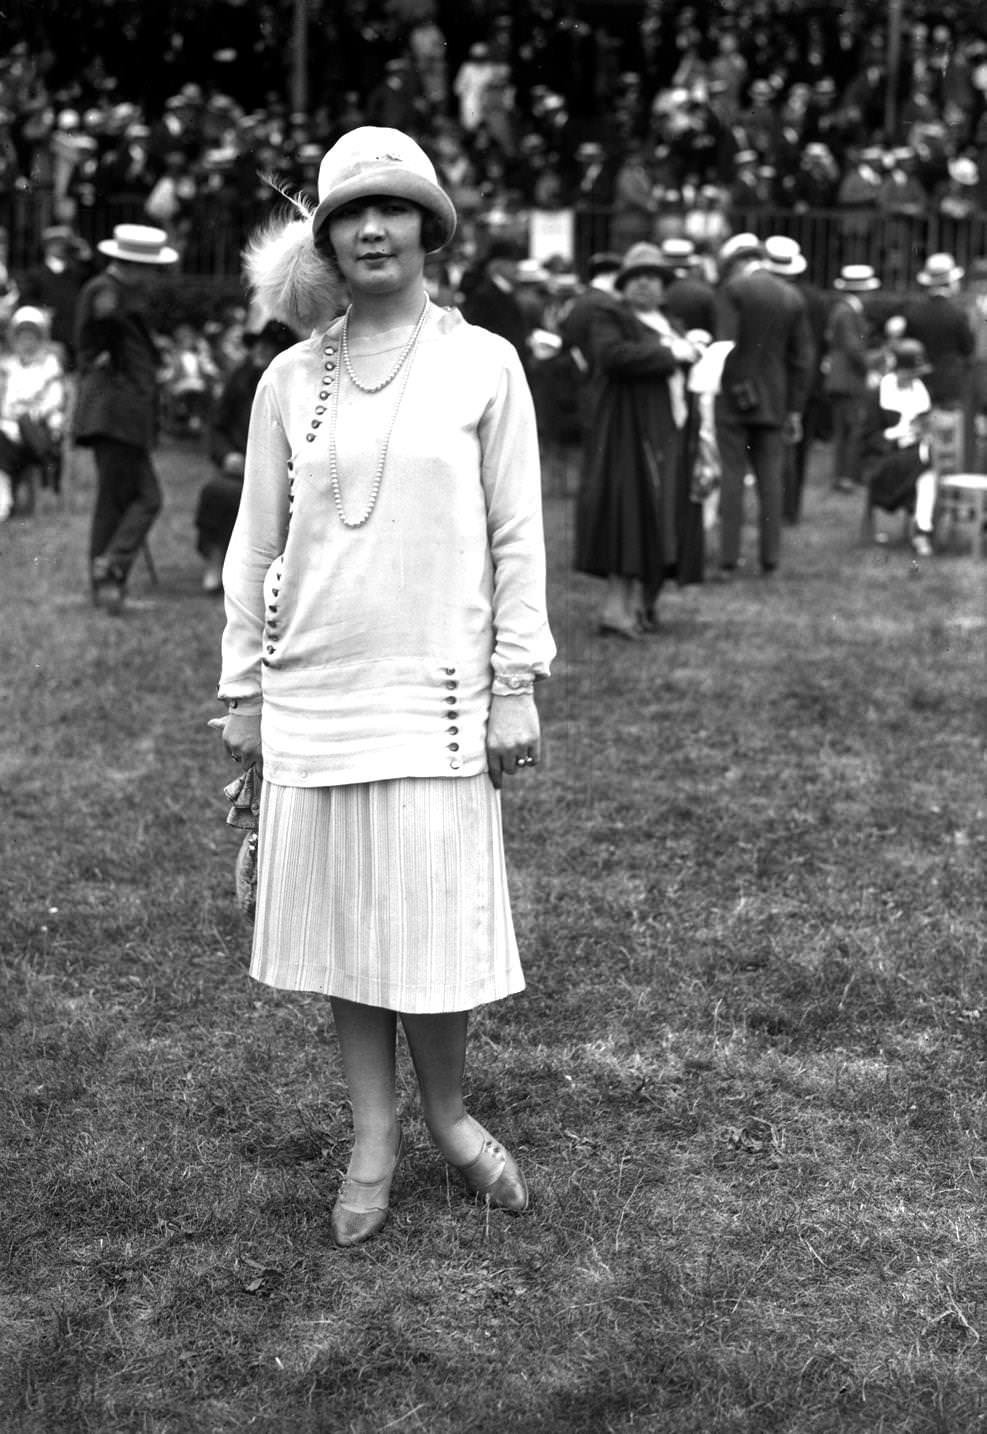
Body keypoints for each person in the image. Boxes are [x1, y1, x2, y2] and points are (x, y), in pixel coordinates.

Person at [216, 126, 555, 1248]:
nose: (371, 228)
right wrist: (243, 692)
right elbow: (252, 547)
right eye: (349, 213)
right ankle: (374, 1134)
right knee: (353, 929)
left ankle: (451, 1118)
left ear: (427, 228)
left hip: (441, 692)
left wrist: (517, 682)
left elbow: (518, 537)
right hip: (315, 689)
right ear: (323, 239)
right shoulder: (286, 378)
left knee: (430, 927)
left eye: (393, 208)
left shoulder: (484, 363)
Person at [574, 241, 699, 637]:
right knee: (629, 514)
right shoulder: (612, 316)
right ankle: (617, 610)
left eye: (655, 279)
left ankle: (645, 605)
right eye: (637, 278)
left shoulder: (671, 322)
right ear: (624, 284)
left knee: (663, 515)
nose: (646, 285)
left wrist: (692, 351)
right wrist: (672, 354)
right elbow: (612, 357)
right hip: (629, 432)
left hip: (670, 432)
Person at [73, 223, 178, 611]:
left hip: (120, 414)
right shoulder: (107, 292)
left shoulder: (118, 296)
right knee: (144, 498)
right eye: (149, 269)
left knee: (119, 500)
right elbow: (101, 325)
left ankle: (107, 583)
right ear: (132, 265)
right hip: (115, 413)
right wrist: (105, 356)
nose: (152, 277)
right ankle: (109, 571)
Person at [713, 233, 813, 577]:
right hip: (775, 398)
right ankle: (770, 560)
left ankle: (728, 558)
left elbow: (724, 344)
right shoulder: (792, 297)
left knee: (732, 475)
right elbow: (802, 359)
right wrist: (795, 409)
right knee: (771, 480)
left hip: (733, 395)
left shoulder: (734, 290)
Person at [195, 318, 296, 594]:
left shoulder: (295, 383)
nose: (260, 353)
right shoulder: (240, 378)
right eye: (259, 346)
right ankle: (215, 562)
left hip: (278, 474)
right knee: (218, 492)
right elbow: (218, 426)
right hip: (237, 465)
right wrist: (226, 455)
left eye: (269, 348)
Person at [860, 338, 937, 556]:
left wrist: (923, 430)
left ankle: (922, 528)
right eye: (911, 373)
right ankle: (922, 531)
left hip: (914, 454)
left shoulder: (921, 391)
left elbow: (926, 424)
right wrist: (899, 432)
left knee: (925, 467)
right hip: (885, 457)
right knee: (926, 466)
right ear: (900, 371)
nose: (915, 378)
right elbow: (869, 437)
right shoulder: (881, 393)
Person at [0, 306, 67, 520]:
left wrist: (30, 413)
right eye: (22, 337)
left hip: (41, 433)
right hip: (11, 431)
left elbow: (54, 401)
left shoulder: (50, 366)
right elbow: (6, 405)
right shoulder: (8, 367)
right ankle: (4, 502)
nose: (27, 343)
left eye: (31, 337)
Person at [824, 263, 882, 492]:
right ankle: (846, 477)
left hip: (842, 378)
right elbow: (852, 348)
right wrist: (871, 365)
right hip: (847, 379)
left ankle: (843, 475)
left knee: (846, 429)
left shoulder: (844, 310)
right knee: (852, 429)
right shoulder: (847, 312)